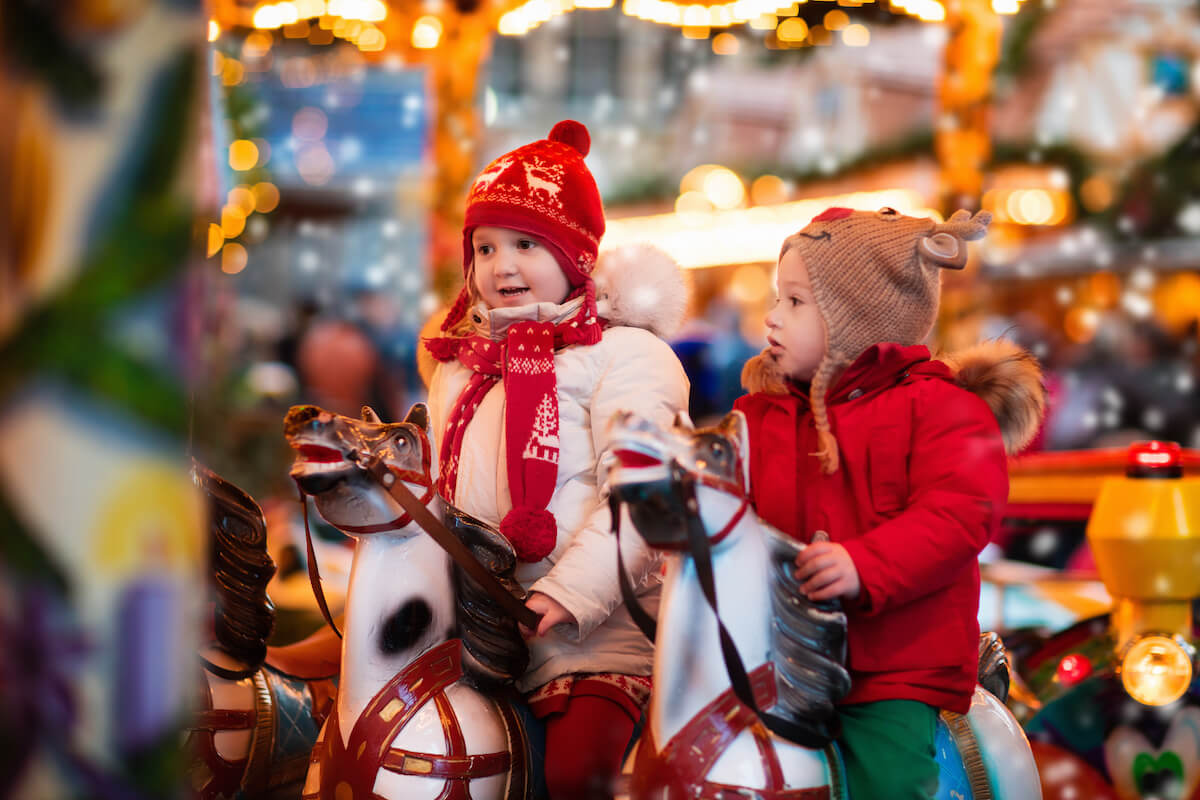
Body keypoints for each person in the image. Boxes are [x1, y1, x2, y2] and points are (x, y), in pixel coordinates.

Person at [734, 206, 1044, 799]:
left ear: (858, 319)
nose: (773, 317)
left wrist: (863, 564)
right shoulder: (761, 411)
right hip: (773, 649)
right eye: (779, 298)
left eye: (796, 302)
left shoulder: (941, 409)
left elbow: (958, 513)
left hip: (887, 666)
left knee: (888, 776)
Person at [424, 120, 690, 799]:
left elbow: (639, 497)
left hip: (597, 631)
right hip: (479, 620)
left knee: (574, 775)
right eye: (483, 248)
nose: (500, 265)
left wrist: (569, 593)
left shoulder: (628, 355)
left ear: (575, 257)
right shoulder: (462, 369)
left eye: (523, 244)